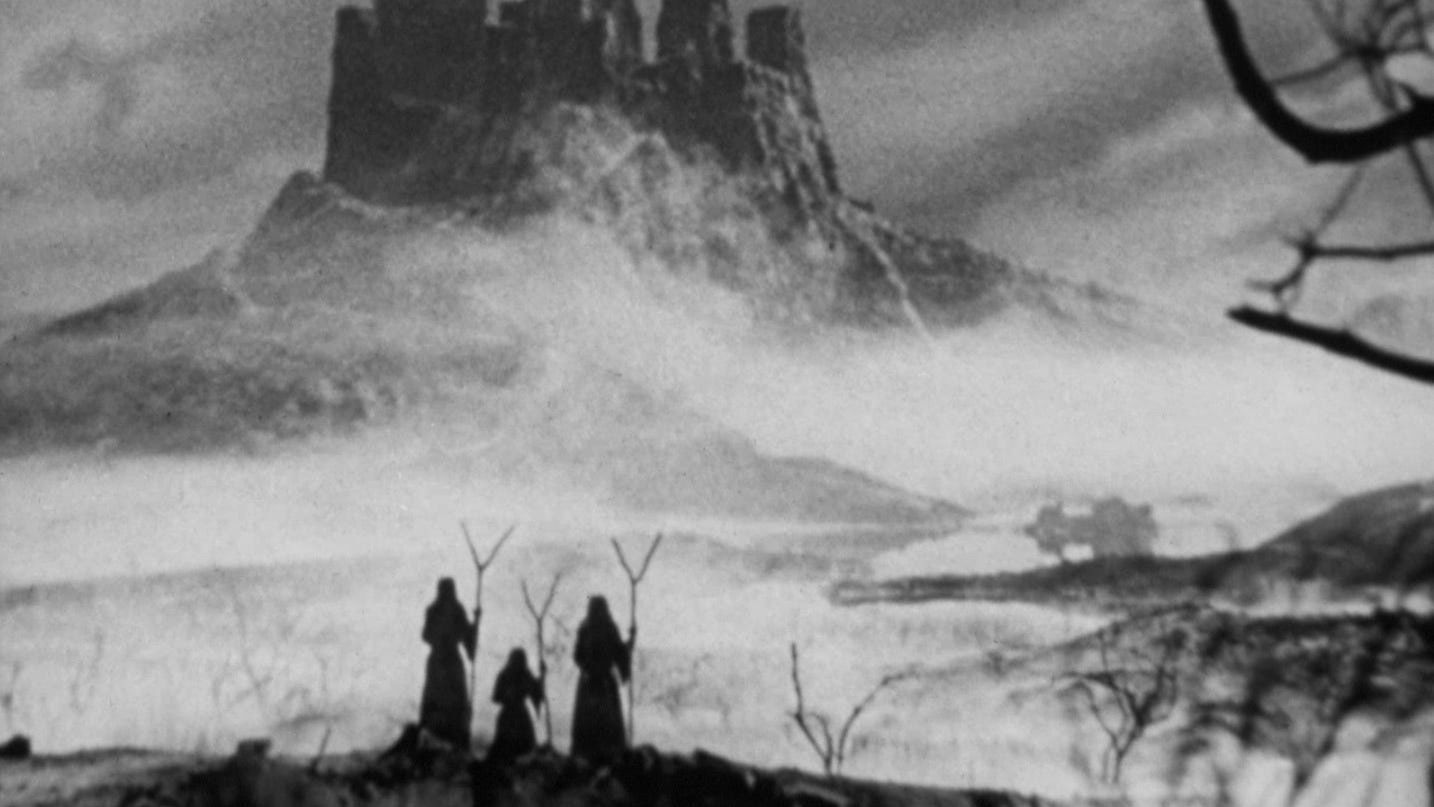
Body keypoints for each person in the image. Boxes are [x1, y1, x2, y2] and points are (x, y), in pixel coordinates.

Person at [570, 595, 633, 764]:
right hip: (590, 681)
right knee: (589, 720)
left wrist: (630, 641)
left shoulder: (610, 628)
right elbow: (577, 654)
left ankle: (608, 756)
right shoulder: (584, 628)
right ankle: (587, 756)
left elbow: (619, 652)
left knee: (606, 720)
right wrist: (587, 667)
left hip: (604, 681)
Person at [420, 577, 477, 749]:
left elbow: (467, 636)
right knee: (435, 698)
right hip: (438, 661)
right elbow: (425, 635)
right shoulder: (433, 610)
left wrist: (475, 623)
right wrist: (441, 638)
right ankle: (431, 737)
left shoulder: (458, 610)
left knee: (457, 700)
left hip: (451, 660)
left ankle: (457, 740)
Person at [486, 647, 545, 766]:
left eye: (521, 660)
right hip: (508, 715)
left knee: (524, 749)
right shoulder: (504, 674)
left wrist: (542, 676)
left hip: (521, 715)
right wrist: (507, 695)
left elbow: (535, 691)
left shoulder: (526, 674)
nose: (519, 663)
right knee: (505, 749)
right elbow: (496, 696)